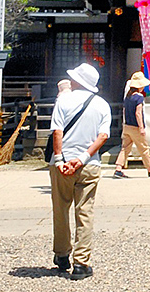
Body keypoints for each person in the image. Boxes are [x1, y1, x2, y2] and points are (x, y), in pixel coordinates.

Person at [48, 62, 112, 280]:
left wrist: (60, 160)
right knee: (85, 213)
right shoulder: (103, 105)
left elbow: (57, 131)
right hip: (89, 164)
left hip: (62, 162)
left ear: (77, 81)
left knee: (61, 209)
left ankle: (62, 255)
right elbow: (102, 136)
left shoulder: (63, 100)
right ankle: (82, 263)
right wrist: (82, 158)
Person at [113, 71, 150, 178]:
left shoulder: (127, 97)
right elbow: (138, 113)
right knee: (143, 148)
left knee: (125, 148)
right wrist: (141, 128)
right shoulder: (139, 97)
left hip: (127, 126)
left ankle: (118, 168)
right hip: (135, 127)